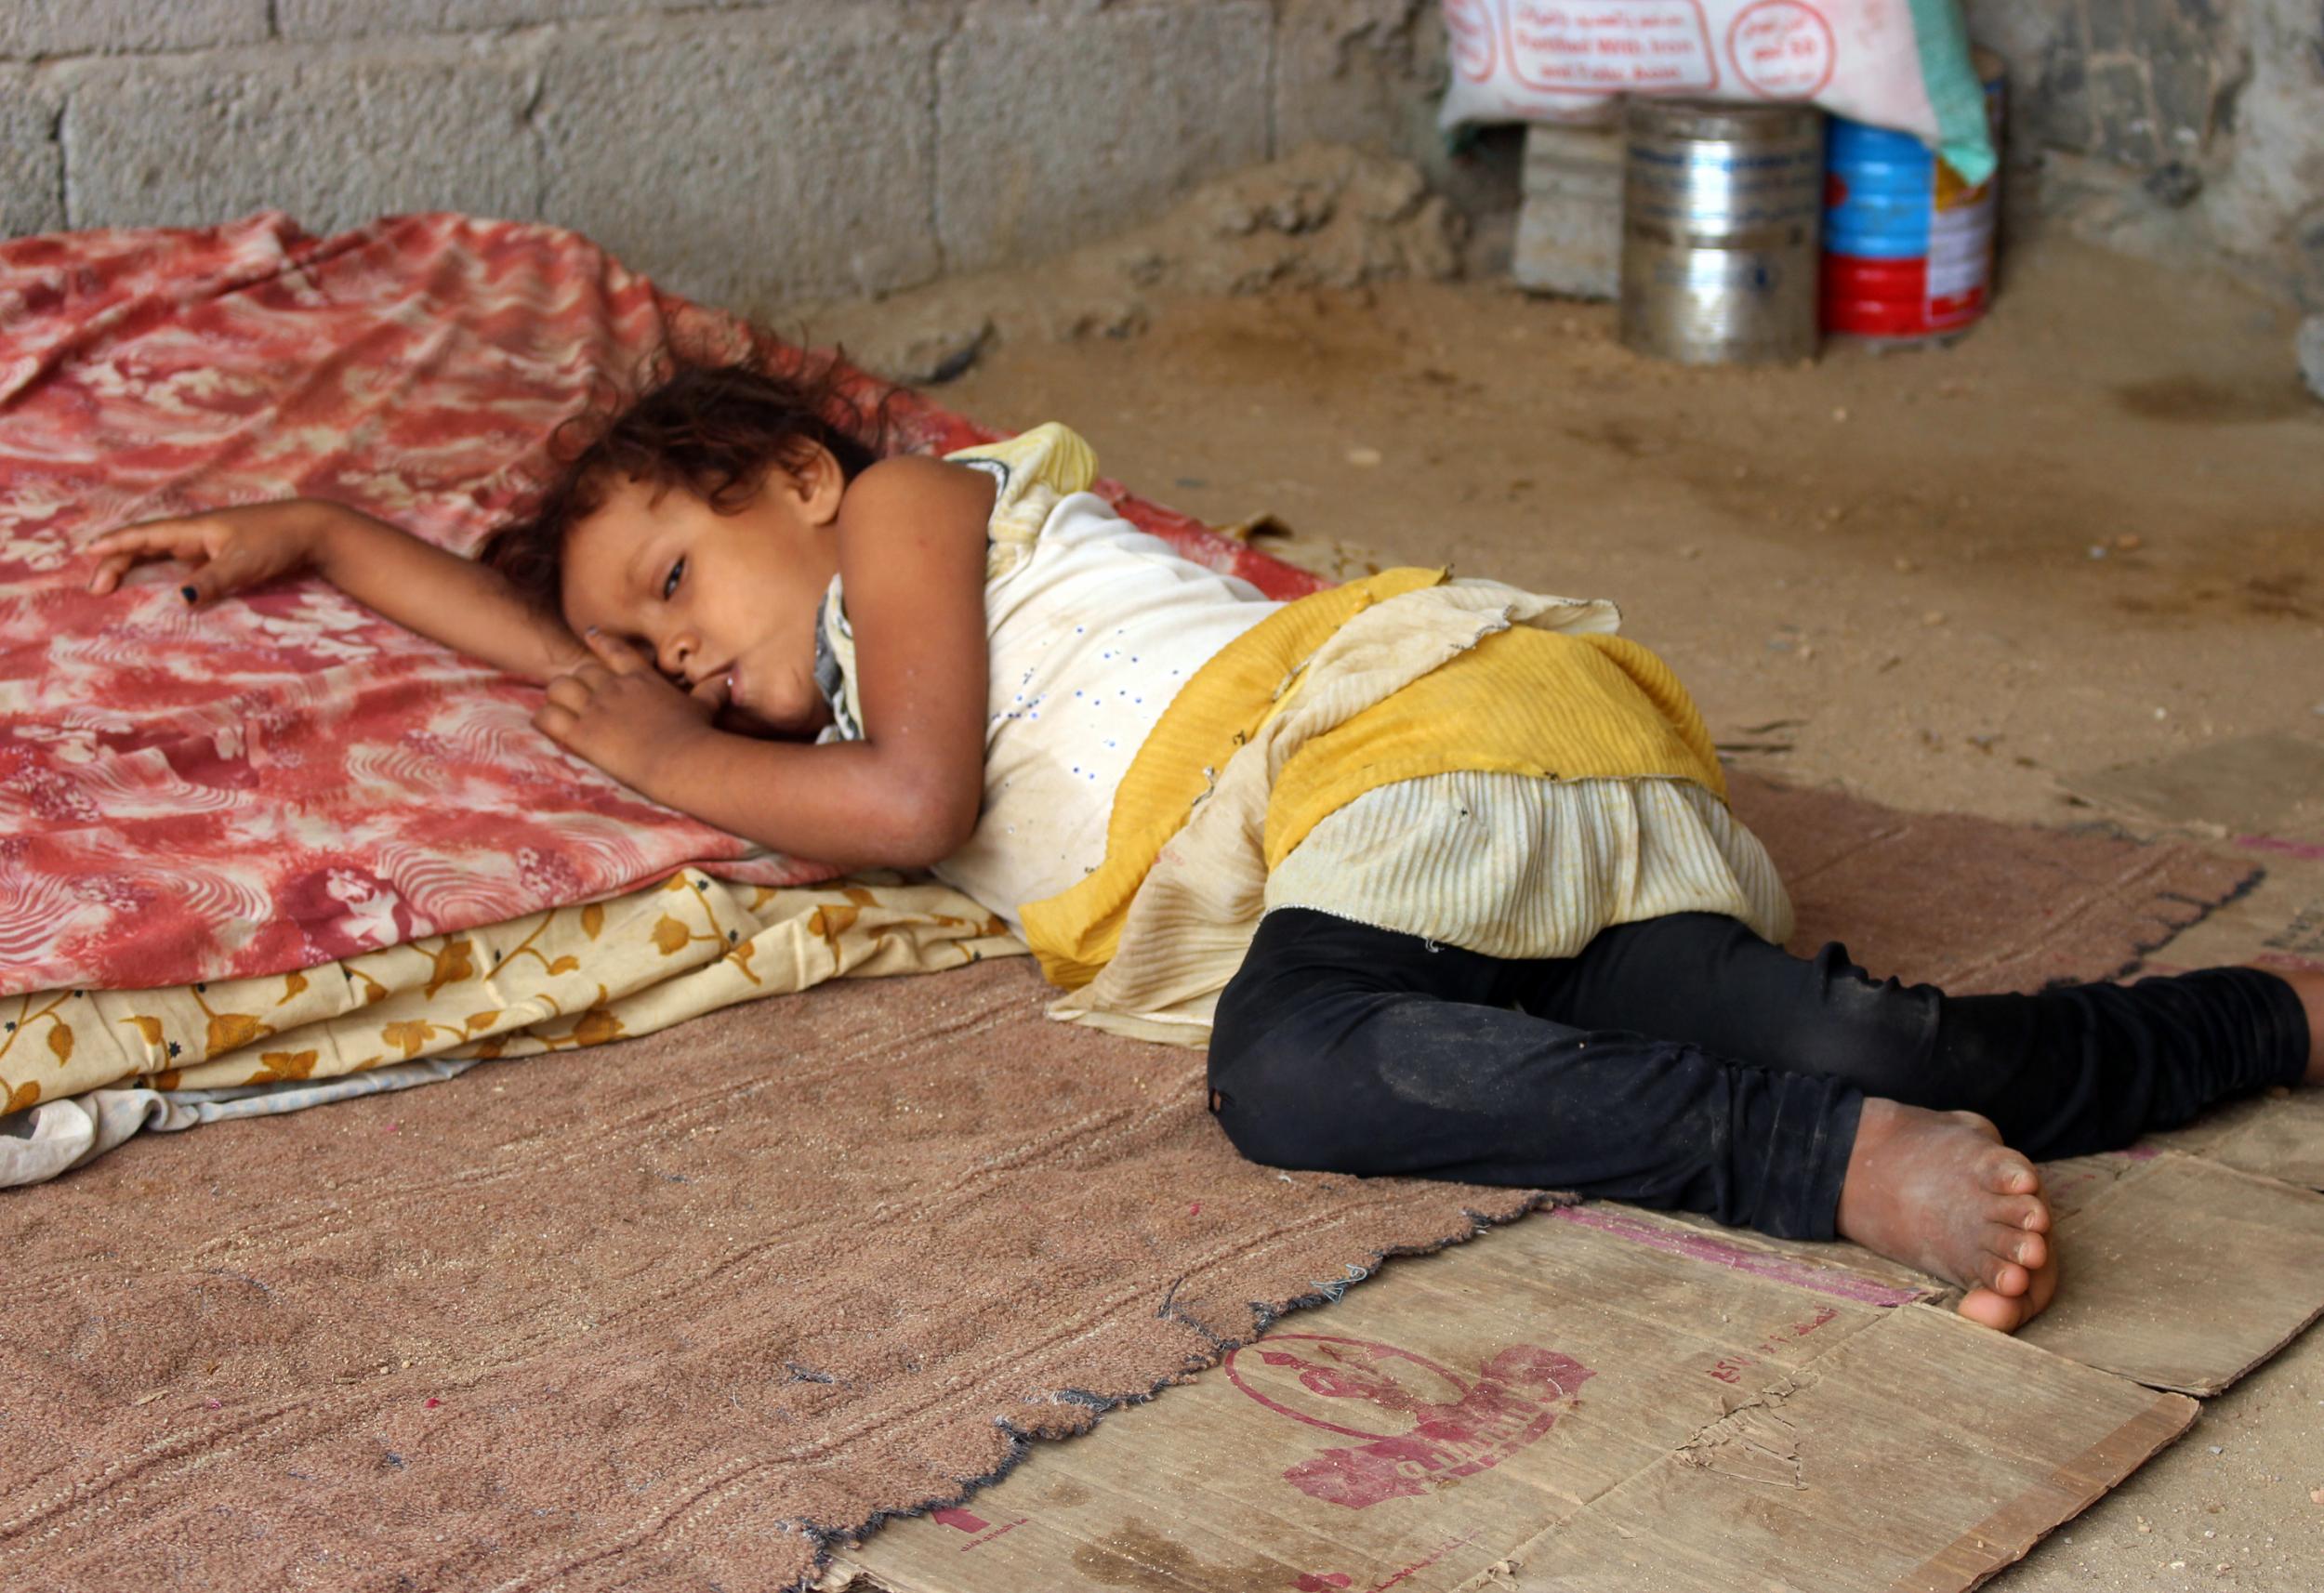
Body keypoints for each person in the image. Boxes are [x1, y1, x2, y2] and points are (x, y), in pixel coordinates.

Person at [82, 353, 2320, 1333]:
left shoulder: (904, 509)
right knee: (1860, 1028)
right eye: (642, 657)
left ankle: (1813, 1173)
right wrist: (326, 537)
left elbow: (903, 805)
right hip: (1461, 858)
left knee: (1286, 1062)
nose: (675, 664)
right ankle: (2259, 1013)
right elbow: (567, 642)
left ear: (778, 474)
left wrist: (673, 759)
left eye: (676, 585)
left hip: (1413, 731)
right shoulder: (780, 649)